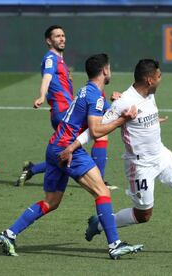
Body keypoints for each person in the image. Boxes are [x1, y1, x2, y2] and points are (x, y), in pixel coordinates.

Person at [59, 59, 172, 254]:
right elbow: (96, 130)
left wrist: (152, 121)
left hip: (162, 156)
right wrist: (73, 146)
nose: (161, 79)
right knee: (143, 215)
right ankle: (100, 223)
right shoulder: (124, 102)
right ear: (150, 80)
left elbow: (144, 117)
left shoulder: (149, 94)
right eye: (159, 76)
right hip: (140, 165)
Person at [0, 54, 143, 259]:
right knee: (102, 191)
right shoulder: (95, 95)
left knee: (51, 201)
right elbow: (96, 130)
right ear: (105, 71)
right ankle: (115, 245)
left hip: (55, 146)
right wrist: (122, 120)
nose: (110, 71)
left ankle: (9, 234)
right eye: (109, 68)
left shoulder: (87, 90)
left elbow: (96, 115)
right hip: (68, 149)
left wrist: (117, 109)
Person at [16, 25, 115, 189]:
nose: (61, 38)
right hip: (62, 111)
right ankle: (101, 182)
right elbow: (47, 77)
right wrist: (42, 95)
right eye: (57, 36)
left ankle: (33, 169)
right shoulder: (51, 58)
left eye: (63, 35)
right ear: (49, 40)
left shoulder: (60, 61)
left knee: (67, 151)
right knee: (99, 135)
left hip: (66, 110)